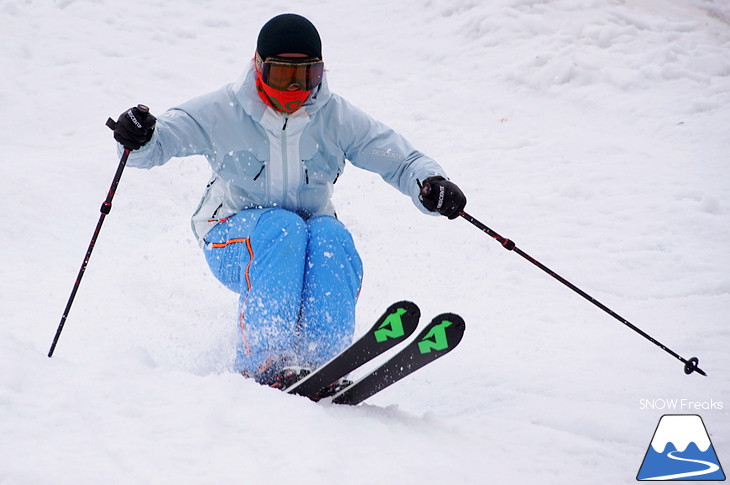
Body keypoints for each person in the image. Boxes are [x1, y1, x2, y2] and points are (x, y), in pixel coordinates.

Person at [112, 13, 466, 390]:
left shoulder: (335, 117)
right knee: (283, 228)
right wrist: (139, 136)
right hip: (230, 236)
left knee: (331, 237)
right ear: (258, 67)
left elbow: (399, 159)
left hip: (306, 236)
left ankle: (323, 361)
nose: (296, 88)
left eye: (307, 76)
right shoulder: (221, 111)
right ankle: (263, 362)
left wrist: (428, 182)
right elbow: (158, 141)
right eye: (283, 75)